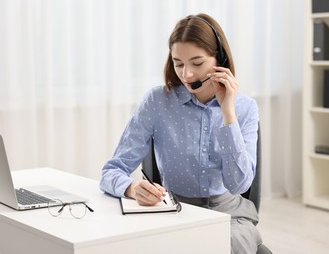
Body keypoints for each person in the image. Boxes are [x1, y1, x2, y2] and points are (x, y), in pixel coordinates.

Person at [100, 13, 262, 253]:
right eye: (178, 63)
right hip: (173, 212)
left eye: (197, 63)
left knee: (222, 246)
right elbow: (111, 171)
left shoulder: (245, 108)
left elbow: (239, 184)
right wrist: (131, 188)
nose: (186, 74)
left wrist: (228, 113)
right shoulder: (156, 101)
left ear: (220, 59)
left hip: (229, 217)